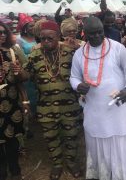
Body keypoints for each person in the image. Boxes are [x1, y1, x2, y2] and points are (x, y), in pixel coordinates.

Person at [70, 17, 126, 180]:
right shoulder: (79, 54)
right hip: (94, 107)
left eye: (100, 32)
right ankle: (103, 174)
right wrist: (78, 86)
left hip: (117, 106)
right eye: (92, 34)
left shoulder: (117, 48)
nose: (96, 36)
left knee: (119, 140)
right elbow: (73, 77)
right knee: (96, 138)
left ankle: (121, 175)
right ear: (85, 33)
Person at [24, 21, 82, 180]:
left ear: (58, 36)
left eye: (50, 38)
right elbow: (26, 75)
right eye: (42, 39)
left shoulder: (71, 52)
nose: (46, 42)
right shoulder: (34, 55)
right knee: (51, 137)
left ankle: (71, 162)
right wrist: (17, 72)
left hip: (69, 105)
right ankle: (57, 164)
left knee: (71, 135)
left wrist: (78, 48)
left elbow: (86, 67)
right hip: (45, 107)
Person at [0, 22, 27, 180]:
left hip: (12, 103)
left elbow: (25, 77)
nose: (2, 35)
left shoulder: (13, 51)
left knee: (12, 140)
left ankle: (15, 171)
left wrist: (19, 72)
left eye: (4, 32)